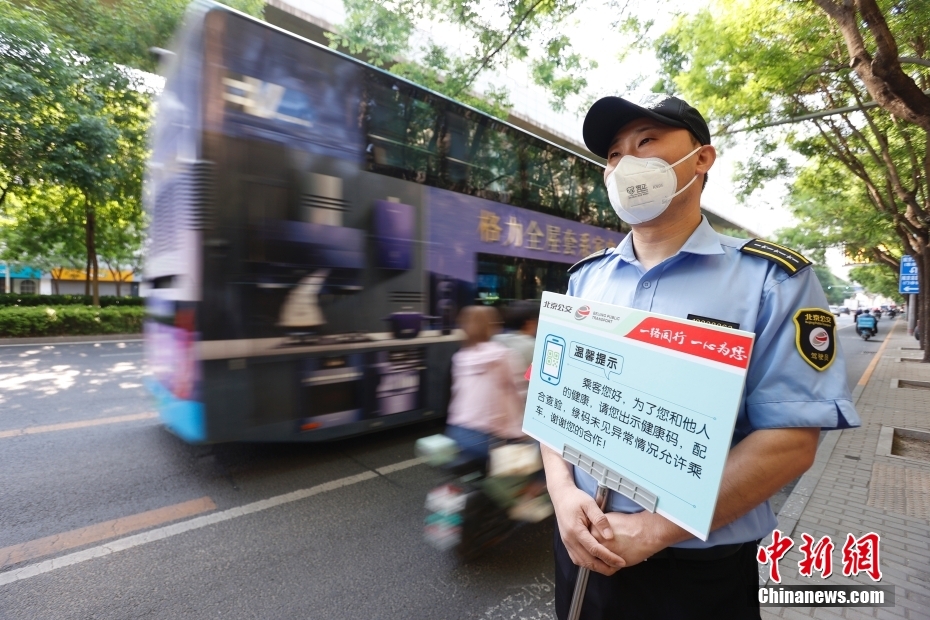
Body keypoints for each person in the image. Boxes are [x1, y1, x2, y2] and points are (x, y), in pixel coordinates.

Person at [543, 94, 861, 620]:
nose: (628, 164)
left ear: (702, 159)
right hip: (580, 549)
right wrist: (560, 493)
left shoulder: (773, 281)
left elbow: (789, 443)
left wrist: (653, 530)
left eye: (646, 141)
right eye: (614, 156)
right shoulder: (585, 279)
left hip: (698, 576)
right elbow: (553, 406)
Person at [445, 305, 527, 462]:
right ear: (494, 326)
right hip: (489, 438)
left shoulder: (461, 357)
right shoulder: (504, 356)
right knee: (541, 454)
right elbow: (519, 393)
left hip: (457, 431)